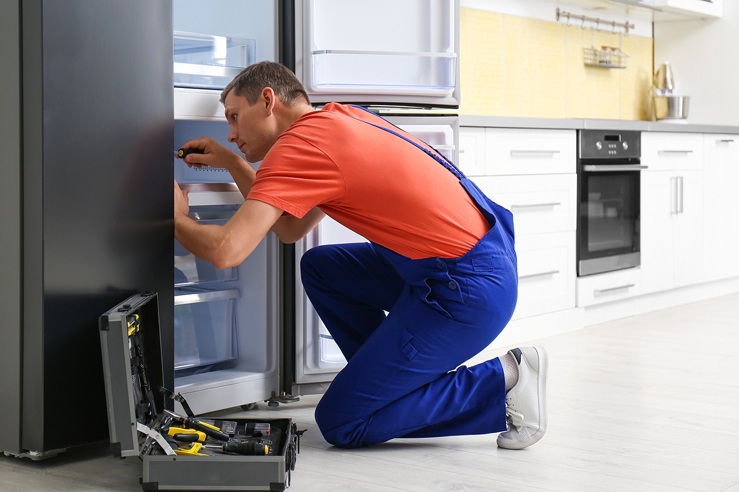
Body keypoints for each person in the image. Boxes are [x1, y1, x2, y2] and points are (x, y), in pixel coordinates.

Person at [174, 61, 548, 450]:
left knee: (343, 423)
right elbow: (290, 228)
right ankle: (383, 385)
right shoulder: (343, 117)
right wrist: (235, 164)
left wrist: (175, 216)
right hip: (481, 265)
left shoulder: (298, 146)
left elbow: (225, 250)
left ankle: (507, 377)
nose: (231, 134)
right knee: (322, 268)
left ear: (268, 100)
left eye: (235, 117)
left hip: (464, 292)